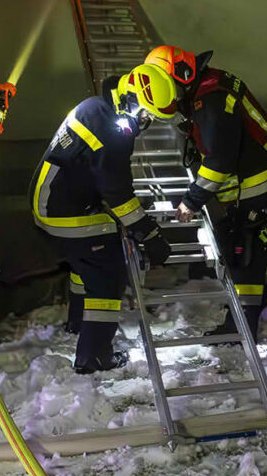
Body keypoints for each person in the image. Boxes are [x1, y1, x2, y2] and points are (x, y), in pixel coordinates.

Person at [129, 52, 267, 339]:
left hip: (260, 181)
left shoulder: (210, 101)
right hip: (262, 172)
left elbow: (219, 161)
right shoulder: (207, 82)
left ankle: (241, 329)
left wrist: (191, 201)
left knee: (246, 255)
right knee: (249, 250)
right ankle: (244, 319)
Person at [31, 73, 171, 374]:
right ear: (133, 100)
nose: (146, 121)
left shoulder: (97, 106)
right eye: (146, 113)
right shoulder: (111, 128)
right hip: (63, 209)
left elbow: (101, 174)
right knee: (108, 272)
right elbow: (117, 191)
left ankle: (78, 323)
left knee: (87, 262)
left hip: (54, 201)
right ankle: (93, 356)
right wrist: (149, 233)